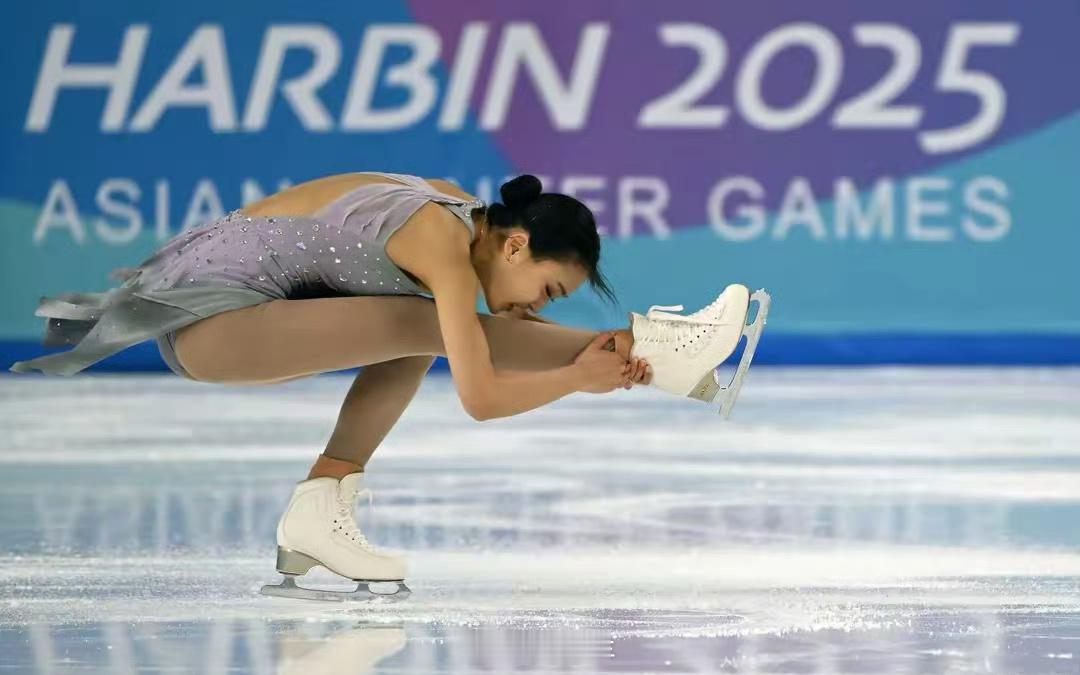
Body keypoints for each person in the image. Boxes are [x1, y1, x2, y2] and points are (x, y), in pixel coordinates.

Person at [9, 171, 762, 600]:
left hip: (228, 314)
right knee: (428, 325)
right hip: (211, 326)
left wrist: (582, 369)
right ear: (517, 242)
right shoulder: (439, 241)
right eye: (548, 287)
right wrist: (575, 377)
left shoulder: (455, 219)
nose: (537, 301)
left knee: (423, 324)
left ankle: (321, 506)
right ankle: (663, 352)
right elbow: (479, 397)